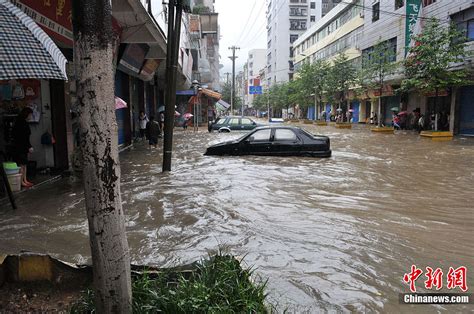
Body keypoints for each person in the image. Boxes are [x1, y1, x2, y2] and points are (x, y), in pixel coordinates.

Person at [12, 107, 34, 188]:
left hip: (23, 146)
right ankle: (22, 181)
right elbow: (23, 137)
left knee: (24, 164)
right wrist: (29, 146)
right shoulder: (21, 123)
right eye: (30, 114)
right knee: (22, 164)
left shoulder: (22, 122)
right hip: (21, 146)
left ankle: (24, 180)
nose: (31, 116)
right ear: (27, 114)